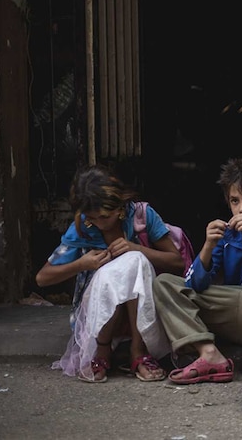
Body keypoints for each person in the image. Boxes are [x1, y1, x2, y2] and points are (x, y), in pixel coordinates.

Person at [152, 156, 242, 384]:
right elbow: (194, 285)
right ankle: (209, 353)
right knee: (165, 283)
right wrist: (208, 246)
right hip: (228, 303)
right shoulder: (227, 234)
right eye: (235, 201)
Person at [37, 164, 184, 383]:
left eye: (104, 216)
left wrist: (137, 249)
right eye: (91, 217)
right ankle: (102, 348)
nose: (98, 223)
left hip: (144, 310)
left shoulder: (141, 216)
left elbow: (177, 262)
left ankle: (138, 350)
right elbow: (42, 278)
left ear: (120, 206)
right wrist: (82, 264)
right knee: (112, 273)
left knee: (135, 261)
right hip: (102, 316)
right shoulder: (83, 227)